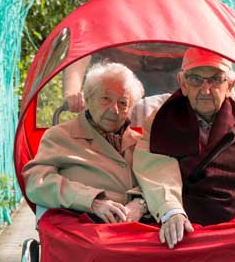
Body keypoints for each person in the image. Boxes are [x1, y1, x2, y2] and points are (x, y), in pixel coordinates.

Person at [133, 48, 235, 248]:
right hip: (176, 220)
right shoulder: (159, 124)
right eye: (195, 79)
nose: (205, 90)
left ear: (230, 85)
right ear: (182, 84)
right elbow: (154, 170)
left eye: (215, 79)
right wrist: (170, 210)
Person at [23, 63, 148, 223]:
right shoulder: (60, 136)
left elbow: (160, 180)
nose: (114, 109)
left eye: (123, 103)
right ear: (88, 99)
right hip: (82, 226)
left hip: (135, 227)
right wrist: (91, 201)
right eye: (105, 99)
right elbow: (36, 182)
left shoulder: (140, 143)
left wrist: (141, 203)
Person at [61, 0, 173, 115]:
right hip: (113, 119)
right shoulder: (105, 13)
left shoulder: (183, 18)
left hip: (171, 120)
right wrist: (72, 92)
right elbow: (77, 56)